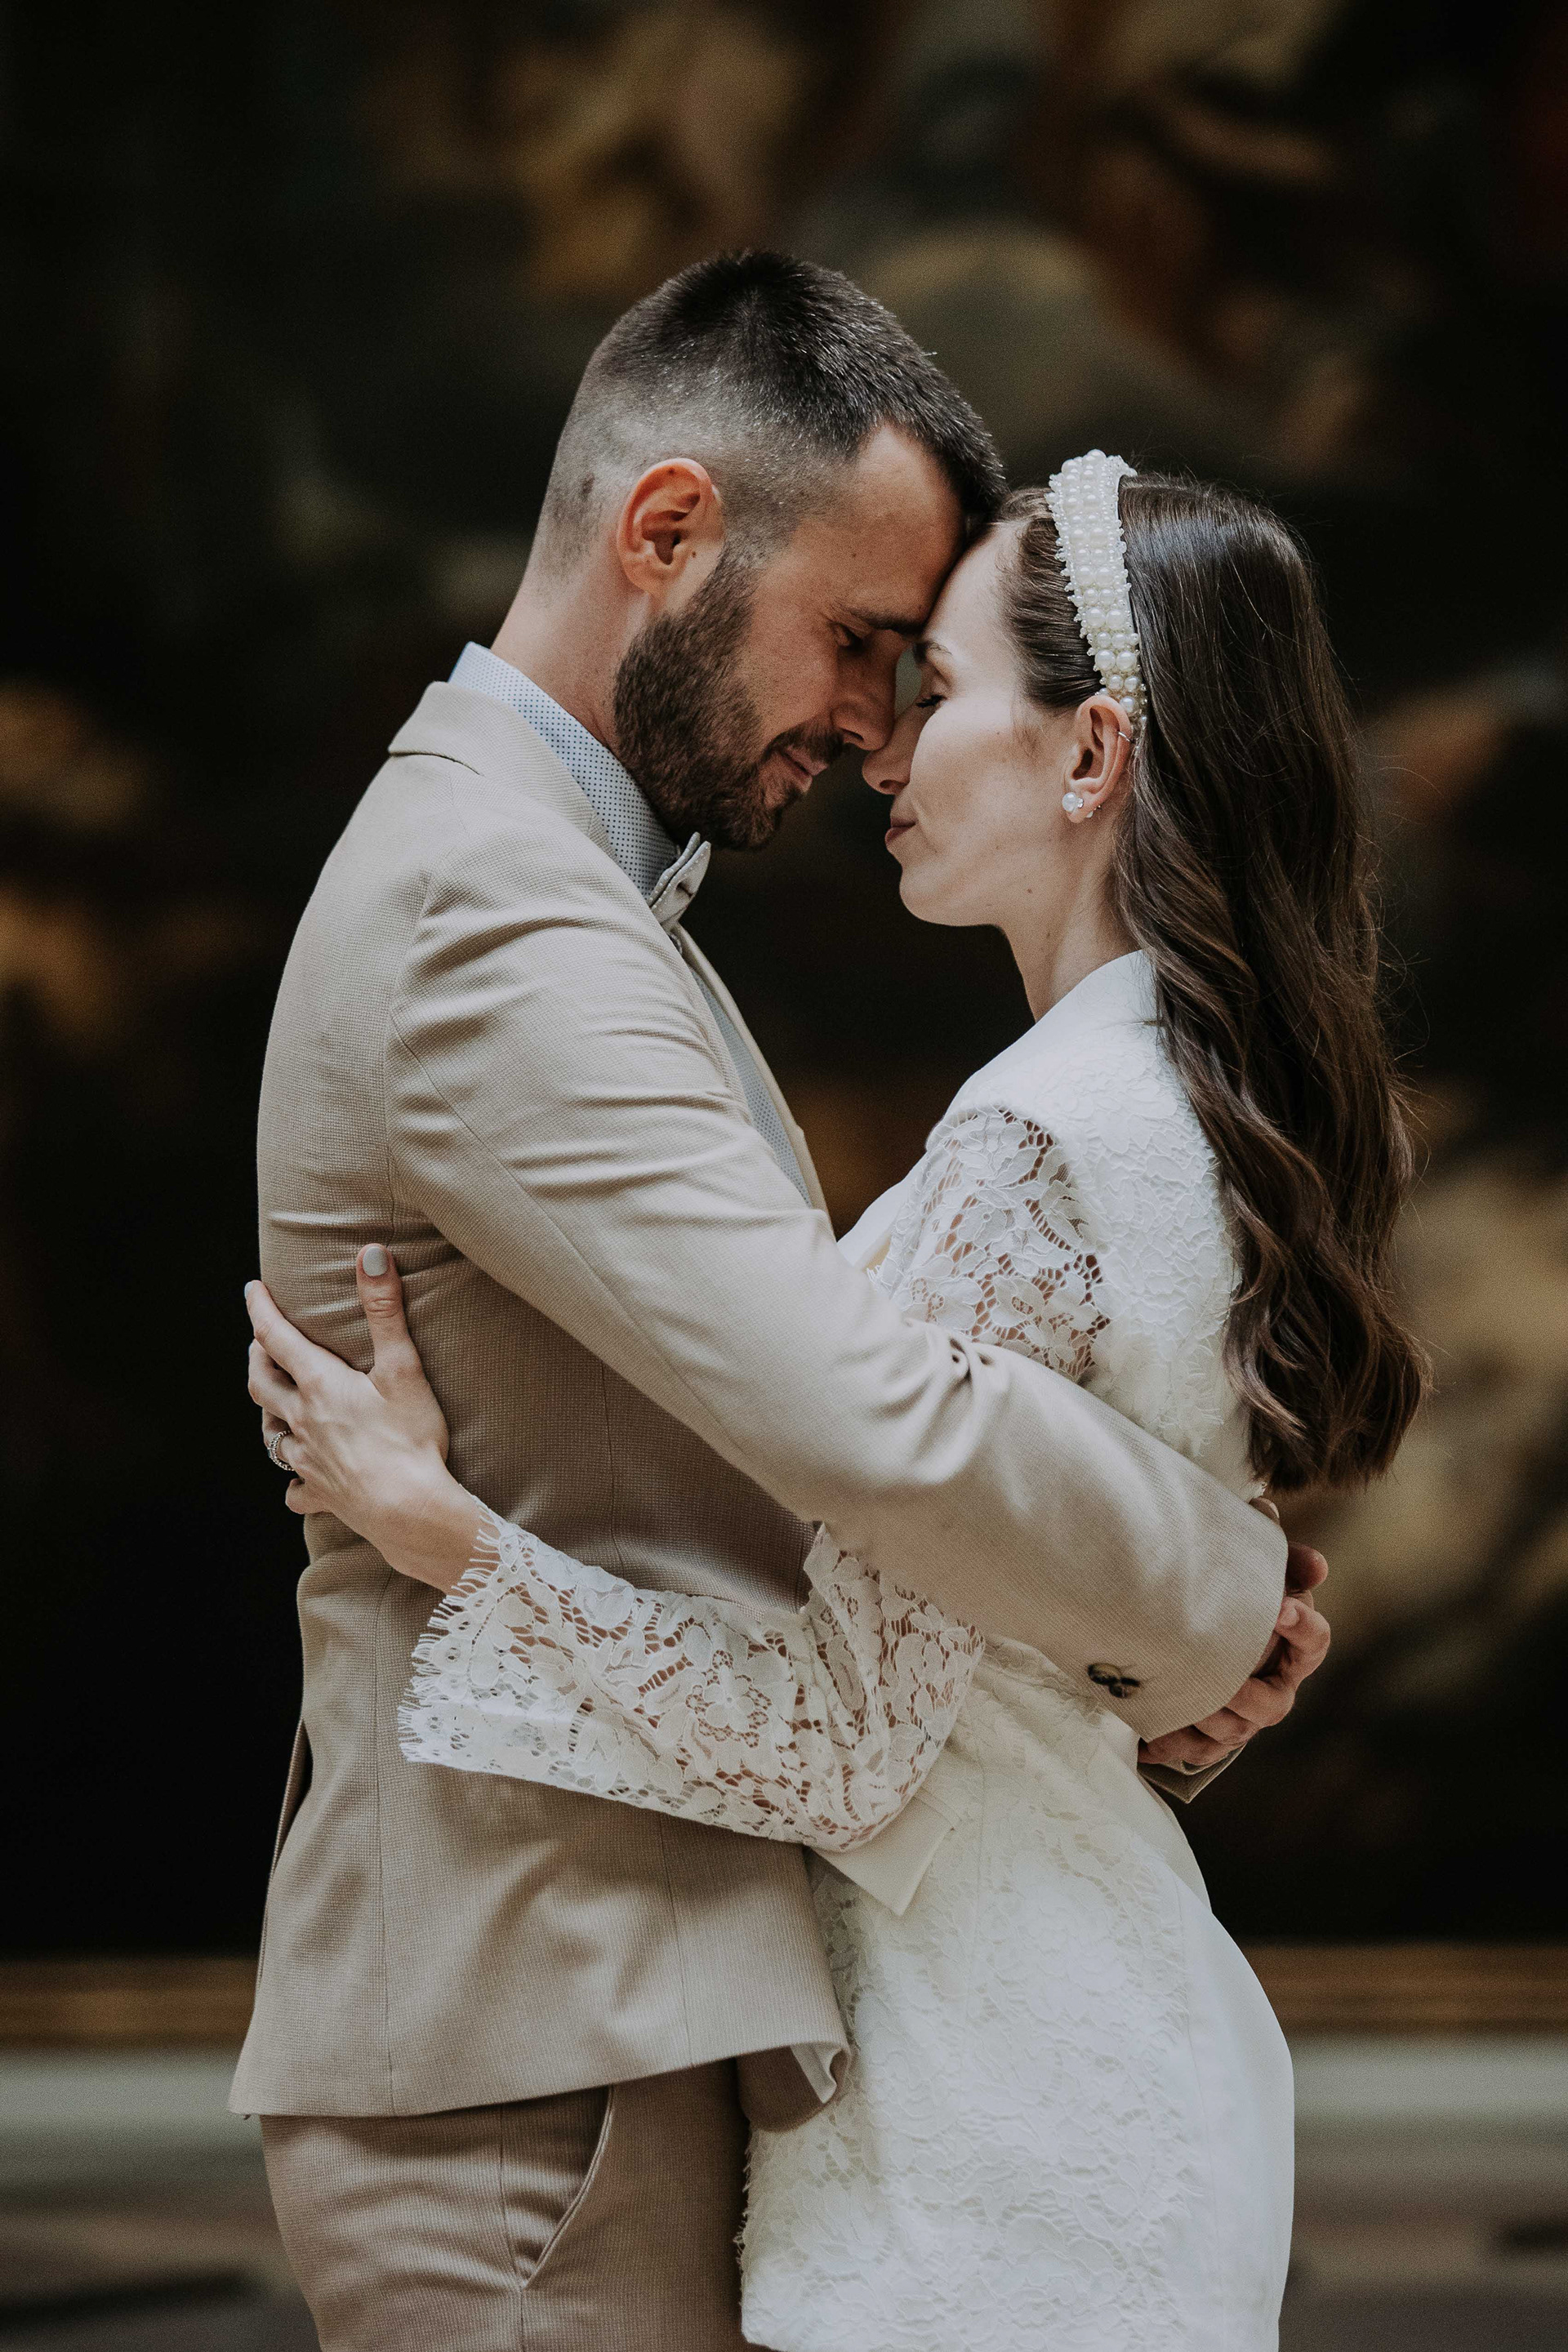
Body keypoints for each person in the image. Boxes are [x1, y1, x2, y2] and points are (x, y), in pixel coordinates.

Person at [238, 254, 1325, 2352]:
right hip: (533, 2022)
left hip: (626, 1994)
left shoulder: (574, 892)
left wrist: (1111, 1654)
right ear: (667, 532)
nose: (873, 722)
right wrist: (1221, 1594)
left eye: (920, 670)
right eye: (857, 643)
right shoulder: (488, 904)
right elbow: (862, 1414)